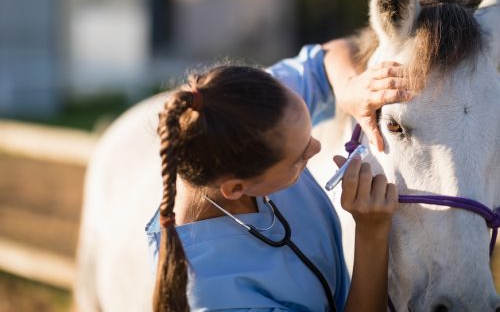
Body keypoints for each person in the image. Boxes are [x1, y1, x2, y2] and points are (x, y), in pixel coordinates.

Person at [146, 37, 411, 312]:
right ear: (237, 189)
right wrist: (372, 233)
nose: (316, 147)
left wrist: (347, 88)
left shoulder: (253, 107)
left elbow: (332, 53)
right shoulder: (214, 296)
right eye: (299, 158)